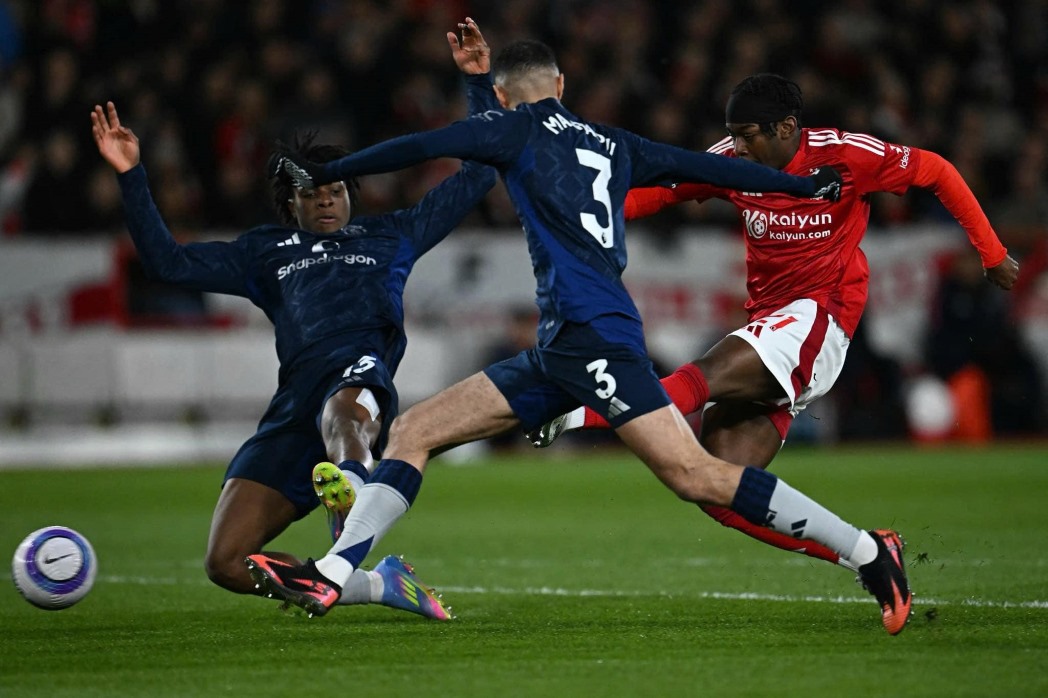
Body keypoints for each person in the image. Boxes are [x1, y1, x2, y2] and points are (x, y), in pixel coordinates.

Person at [247, 28, 913, 636]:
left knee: (696, 474)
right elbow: (713, 168)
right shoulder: (615, 142)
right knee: (414, 431)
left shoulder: (511, 131)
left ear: (505, 98)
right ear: (562, 86)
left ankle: (865, 549)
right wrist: (800, 187)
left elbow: (426, 145)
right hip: (562, 343)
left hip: (595, 335)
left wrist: (335, 170)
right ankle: (334, 574)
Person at [526, 73, 1020, 573]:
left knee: (701, 377)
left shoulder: (846, 156)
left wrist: (992, 253)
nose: (737, 146)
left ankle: (579, 411)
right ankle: (866, 554)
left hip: (821, 317)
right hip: (772, 326)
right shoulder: (730, 162)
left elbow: (934, 170)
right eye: (732, 134)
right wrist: (586, 220)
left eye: (747, 134)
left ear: (786, 127)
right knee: (716, 487)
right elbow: (661, 194)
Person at [89, 21, 500, 620]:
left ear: (352, 195)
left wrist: (478, 83)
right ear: (292, 206)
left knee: (346, 415)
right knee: (227, 563)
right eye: (313, 194)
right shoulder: (265, 252)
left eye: (336, 189)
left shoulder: (392, 234)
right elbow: (167, 263)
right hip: (292, 408)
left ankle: (351, 488)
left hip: (358, 368)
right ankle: (377, 582)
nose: (328, 199)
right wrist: (131, 177)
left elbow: (481, 173)